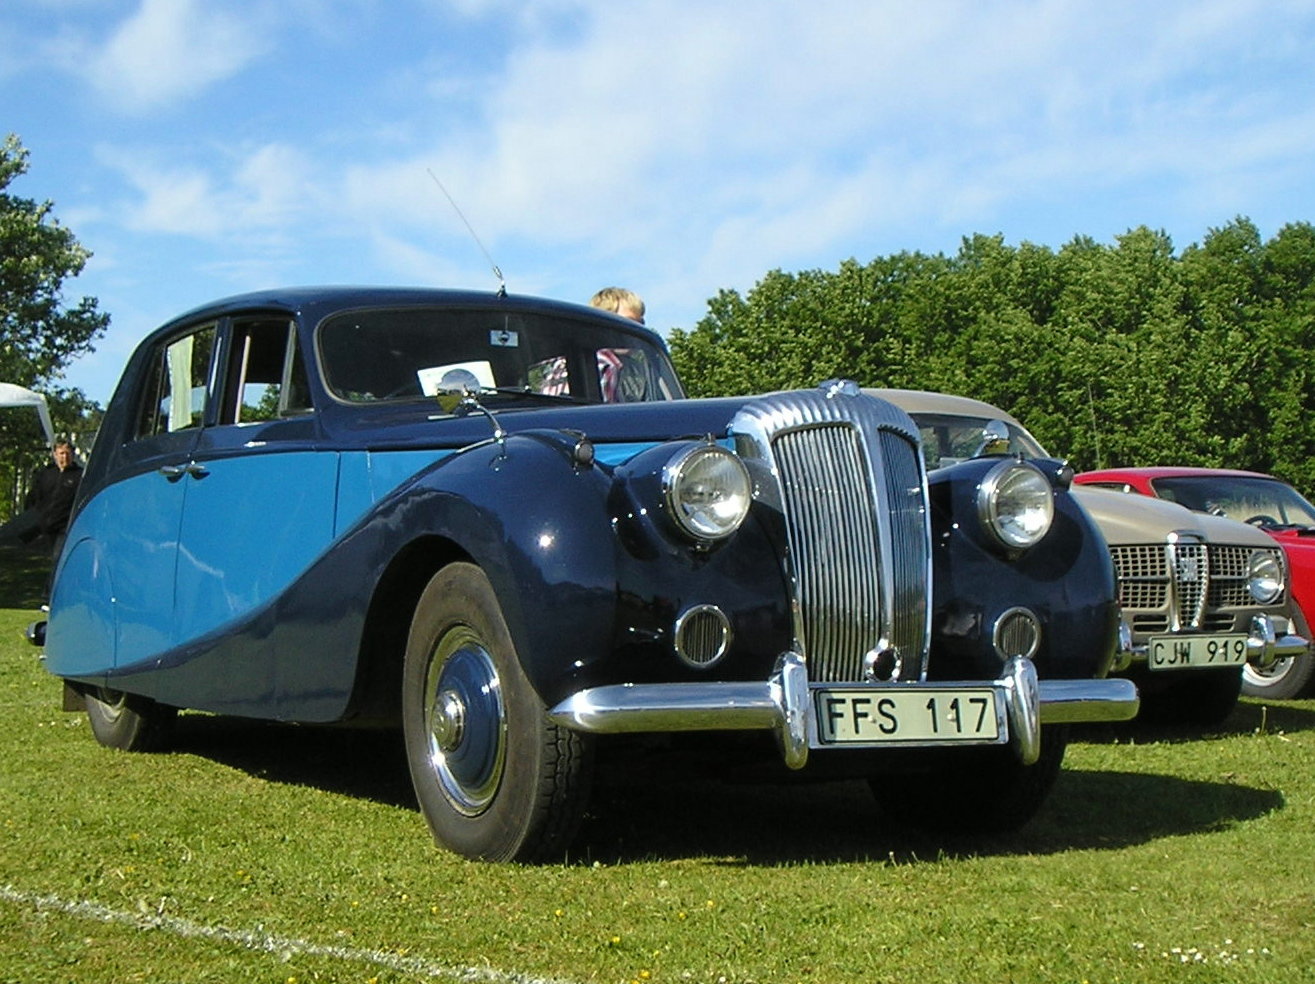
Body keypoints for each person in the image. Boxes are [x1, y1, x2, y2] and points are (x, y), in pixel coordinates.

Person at [26, 440, 82, 560]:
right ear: (55, 454)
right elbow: (33, 497)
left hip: (64, 529)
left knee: (57, 560)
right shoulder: (46, 474)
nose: (65, 457)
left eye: (68, 453)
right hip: (42, 528)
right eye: (62, 453)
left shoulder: (80, 476)